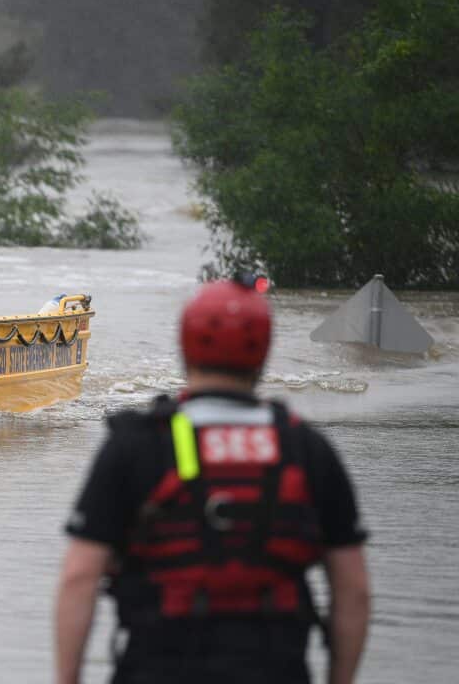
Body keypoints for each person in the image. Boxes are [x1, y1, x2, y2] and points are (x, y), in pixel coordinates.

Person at [54, 275, 371, 684]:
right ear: (263, 352)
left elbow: (79, 577)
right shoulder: (306, 448)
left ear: (185, 346)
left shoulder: (135, 445)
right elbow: (353, 589)